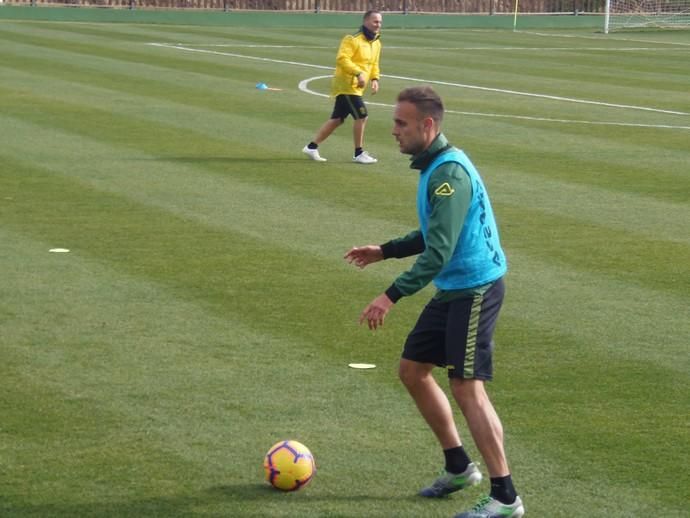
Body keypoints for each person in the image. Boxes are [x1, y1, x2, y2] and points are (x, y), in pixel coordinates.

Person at [344, 86, 524, 518]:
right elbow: (436, 233)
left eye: (402, 124)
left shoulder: (449, 175)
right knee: (413, 370)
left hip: (475, 288)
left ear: (428, 125)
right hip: (454, 287)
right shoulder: (434, 169)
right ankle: (459, 466)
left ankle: (506, 498)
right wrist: (385, 250)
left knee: (467, 387)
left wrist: (390, 295)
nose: (394, 131)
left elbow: (439, 251)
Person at [302, 10, 382, 165]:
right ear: (366, 21)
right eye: (375, 21)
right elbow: (342, 59)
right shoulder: (352, 39)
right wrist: (358, 73)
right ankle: (358, 153)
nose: (378, 25)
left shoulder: (377, 42)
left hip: (357, 87)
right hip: (346, 85)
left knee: (337, 119)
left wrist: (374, 78)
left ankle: (311, 147)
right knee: (362, 115)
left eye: (379, 22)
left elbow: (373, 64)